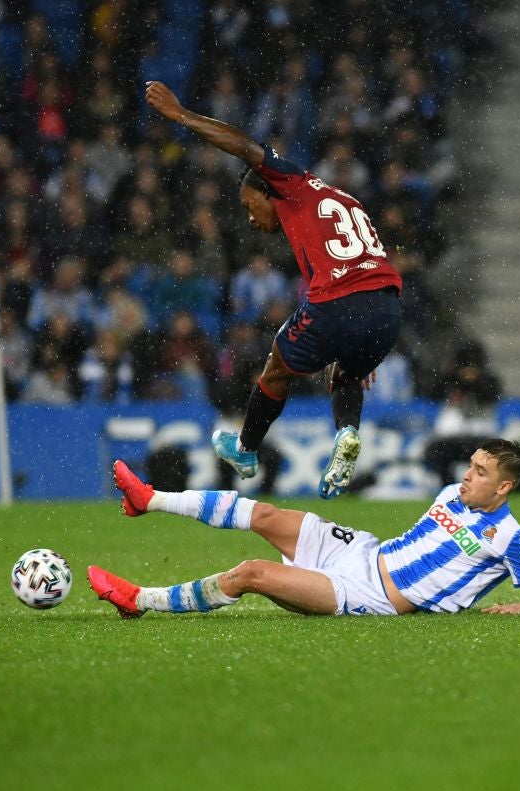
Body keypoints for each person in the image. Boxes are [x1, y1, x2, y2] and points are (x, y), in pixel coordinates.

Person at [144, 80, 403, 498]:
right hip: (388, 311)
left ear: (268, 191)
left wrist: (182, 116)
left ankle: (245, 448)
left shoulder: (292, 183)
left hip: (339, 300)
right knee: (347, 370)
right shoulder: (344, 199)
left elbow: (245, 146)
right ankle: (348, 433)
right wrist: (364, 331)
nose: (250, 218)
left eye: (250, 206)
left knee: (277, 364)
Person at [88, 439, 520, 617]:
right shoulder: (452, 492)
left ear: (504, 487)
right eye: (471, 466)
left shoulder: (513, 537)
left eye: (481, 473)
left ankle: (140, 600)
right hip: (363, 553)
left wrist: (519, 609)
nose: (468, 475)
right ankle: (151, 498)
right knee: (265, 515)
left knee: (252, 572)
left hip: (373, 596)